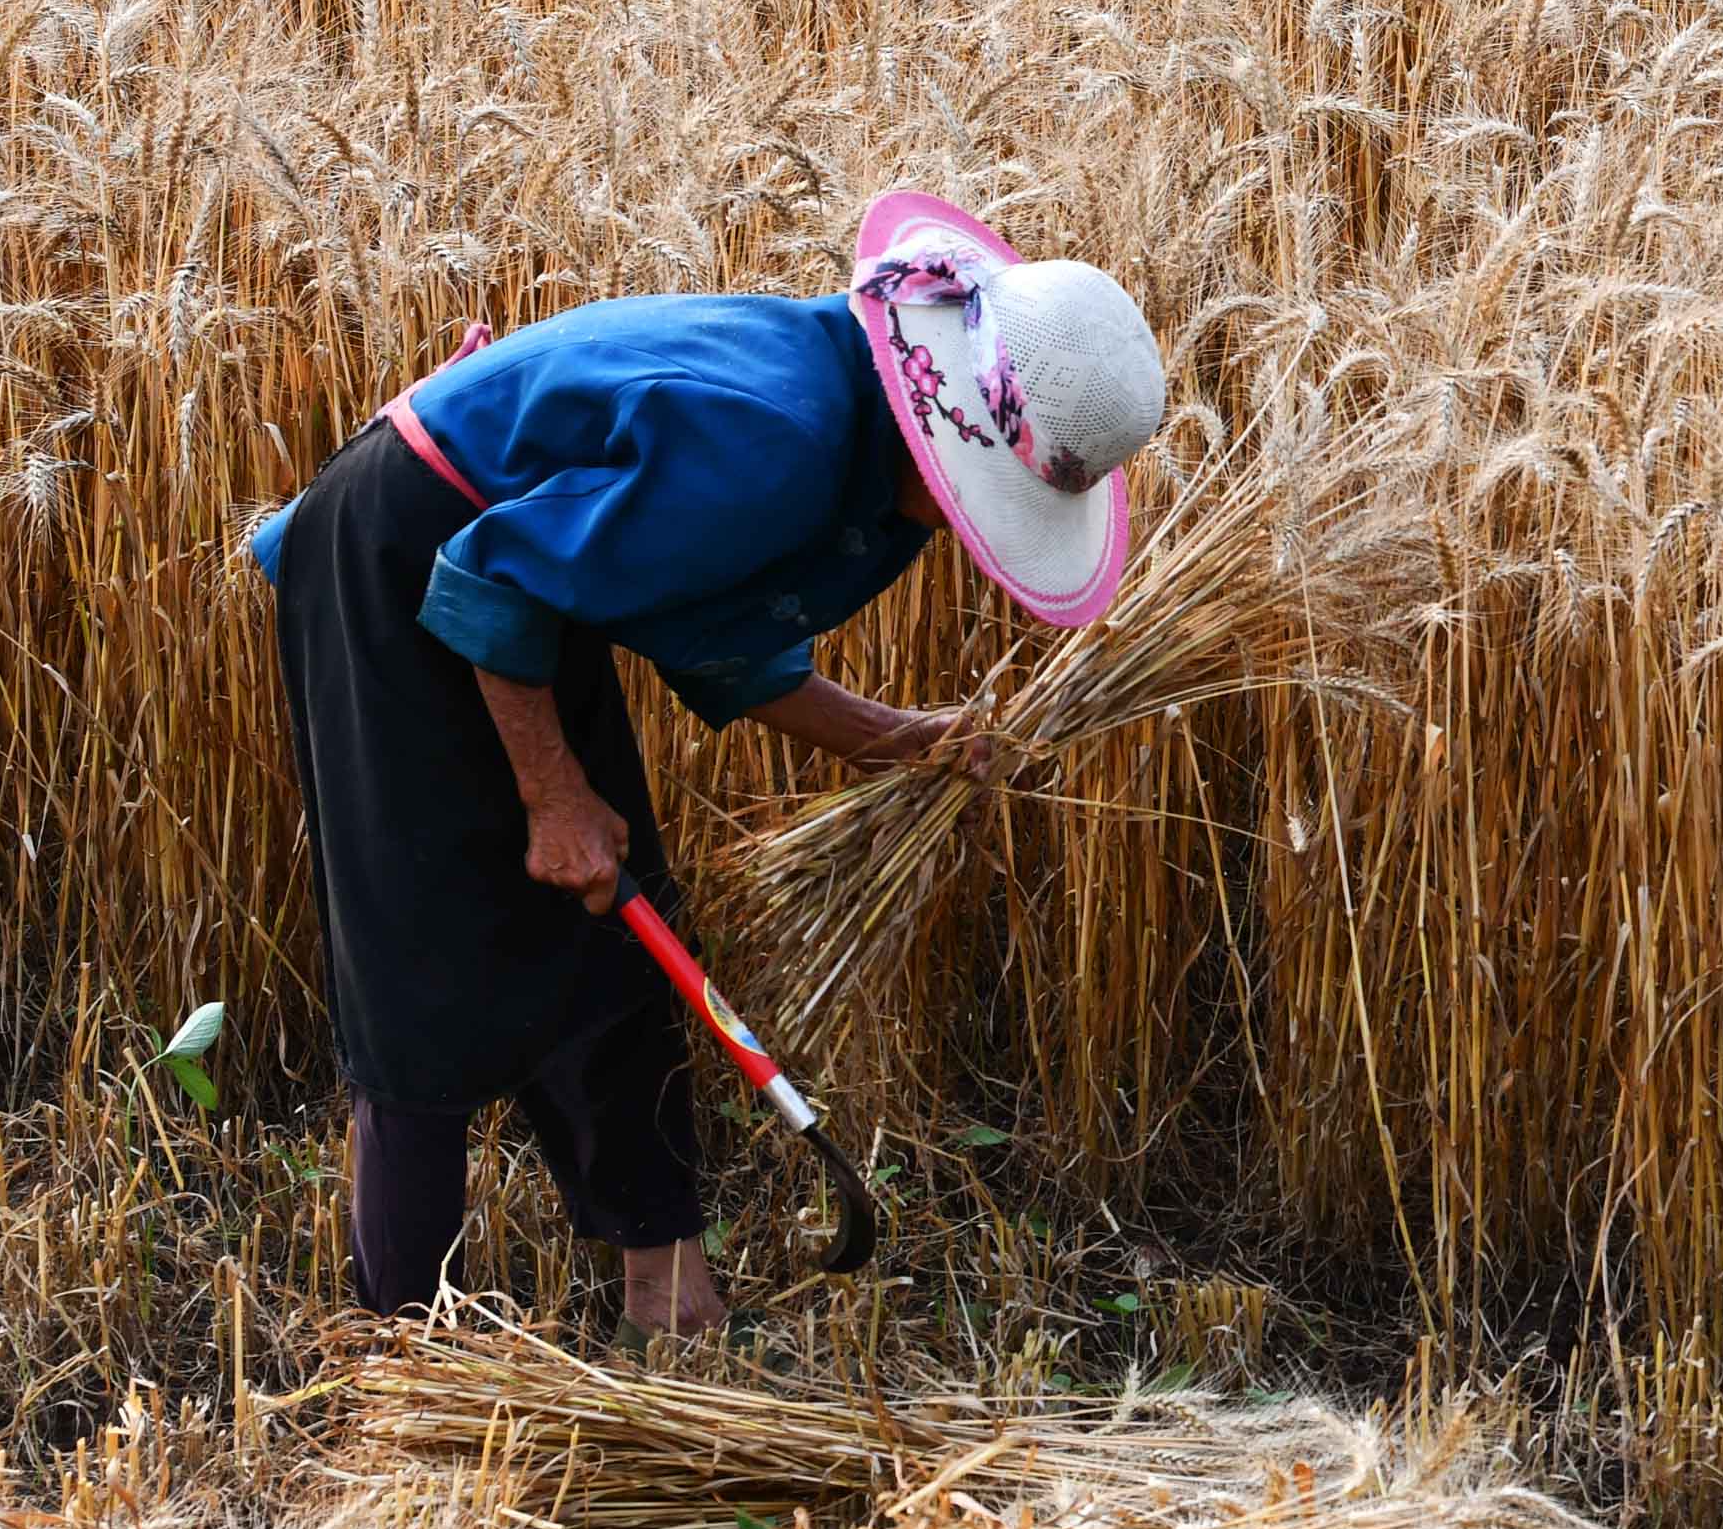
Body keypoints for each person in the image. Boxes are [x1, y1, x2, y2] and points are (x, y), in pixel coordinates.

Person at [253, 191, 1162, 1327]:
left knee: (620, 922)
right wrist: (553, 796)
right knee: (425, 954)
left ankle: (668, 1294)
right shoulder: (776, 439)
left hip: (521, 583)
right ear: (955, 444)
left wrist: (905, 741)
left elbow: (719, 639)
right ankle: (400, 1337)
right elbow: (490, 579)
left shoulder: (850, 449)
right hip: (397, 561)